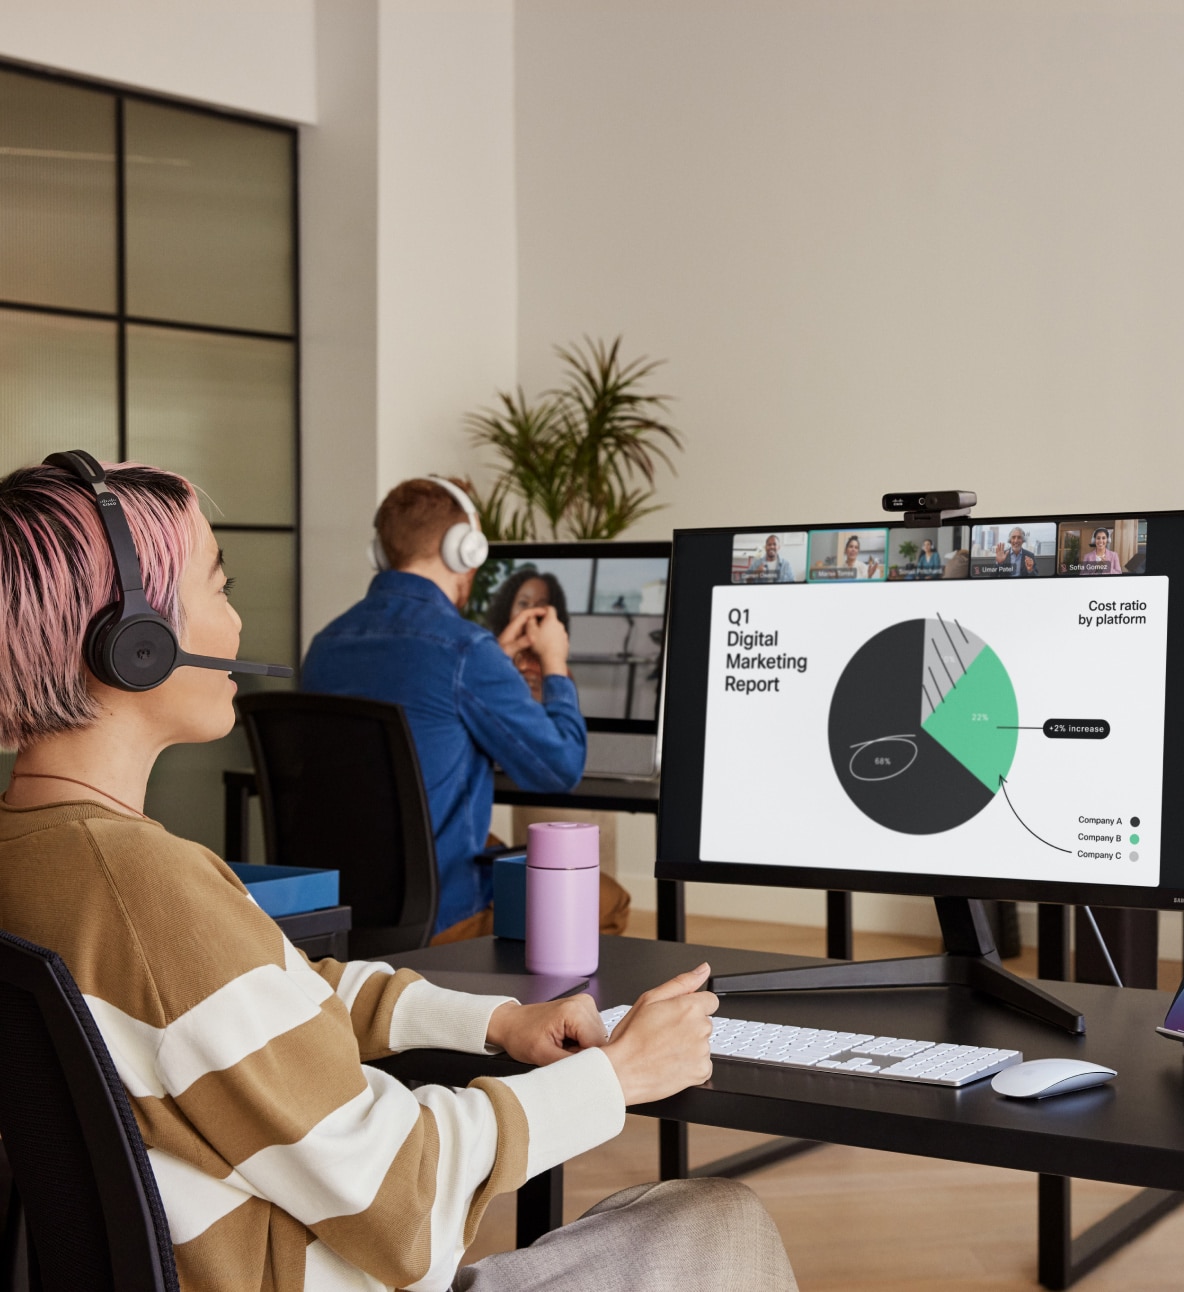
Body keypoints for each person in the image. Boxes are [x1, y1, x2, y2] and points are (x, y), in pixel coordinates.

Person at [0, 456, 798, 1292]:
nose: (238, 625)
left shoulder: (48, 856)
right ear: (136, 640)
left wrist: (497, 1022)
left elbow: (273, 991)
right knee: (719, 1218)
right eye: (220, 585)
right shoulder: (147, 892)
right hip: (310, 1269)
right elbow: (399, 1199)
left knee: (655, 1215)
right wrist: (614, 1076)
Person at [302, 479, 630, 942]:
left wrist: (491, 658)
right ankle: (531, 1014)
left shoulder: (325, 645)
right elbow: (559, 770)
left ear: (382, 551)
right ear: (464, 550)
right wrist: (555, 664)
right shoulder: (464, 651)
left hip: (339, 909)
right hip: (437, 916)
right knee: (607, 900)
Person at [485, 566, 570, 701]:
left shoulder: (558, 671)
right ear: (508, 609)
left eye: (540, 605)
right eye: (523, 603)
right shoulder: (485, 657)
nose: (530, 613)